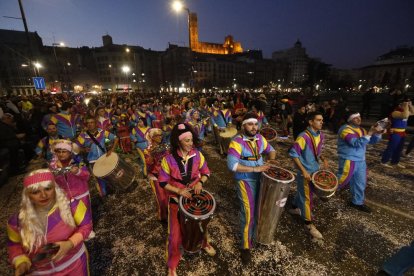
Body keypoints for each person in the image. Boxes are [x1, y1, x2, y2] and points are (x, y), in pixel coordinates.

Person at [6, 169, 92, 276]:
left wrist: (70, 244)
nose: (43, 195)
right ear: (28, 195)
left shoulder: (72, 205)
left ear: (55, 188)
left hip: (75, 265)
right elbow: (14, 245)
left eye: (48, 189)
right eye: (36, 192)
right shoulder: (16, 221)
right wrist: (21, 262)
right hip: (41, 272)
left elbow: (87, 226)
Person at [158, 123, 215, 276]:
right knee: (175, 236)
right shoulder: (168, 160)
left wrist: (201, 183)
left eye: (192, 140)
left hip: (195, 199)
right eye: (187, 140)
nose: (191, 143)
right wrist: (178, 190)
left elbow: (206, 172)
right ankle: (172, 265)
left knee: (201, 226)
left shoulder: (198, 155)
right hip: (176, 201)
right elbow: (162, 182)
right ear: (178, 142)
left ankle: (203, 243)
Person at [227, 112, 276, 264]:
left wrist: (272, 160)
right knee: (248, 212)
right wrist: (255, 169)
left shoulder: (261, 138)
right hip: (245, 181)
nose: (254, 127)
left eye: (255, 124)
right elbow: (232, 165)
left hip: (262, 179)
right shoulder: (236, 142)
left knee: (260, 209)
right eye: (250, 124)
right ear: (243, 126)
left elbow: (271, 150)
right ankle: (245, 246)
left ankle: (257, 235)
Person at [288, 111, 329, 240]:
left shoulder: (321, 135)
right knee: (307, 198)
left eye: (322, 120)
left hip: (315, 170)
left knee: (304, 193)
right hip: (305, 173)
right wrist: (304, 171)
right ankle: (308, 224)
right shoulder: (303, 136)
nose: (321, 122)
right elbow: (293, 154)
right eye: (318, 120)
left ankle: (294, 207)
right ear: (311, 122)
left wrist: (323, 158)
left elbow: (318, 149)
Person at [336, 111, 383, 213]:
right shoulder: (344, 129)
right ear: (350, 120)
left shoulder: (361, 129)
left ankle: (357, 202)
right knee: (341, 180)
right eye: (355, 118)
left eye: (359, 117)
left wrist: (377, 134)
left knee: (360, 182)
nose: (359, 119)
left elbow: (370, 141)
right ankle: (323, 190)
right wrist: (370, 132)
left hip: (361, 160)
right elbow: (356, 143)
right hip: (349, 159)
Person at [75, 116, 119, 197]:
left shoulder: (102, 132)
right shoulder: (82, 136)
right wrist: (83, 150)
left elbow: (116, 138)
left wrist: (111, 150)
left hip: (104, 157)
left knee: (108, 174)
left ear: (95, 123)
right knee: (99, 179)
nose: (90, 124)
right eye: (88, 123)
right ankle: (104, 195)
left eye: (92, 122)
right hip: (92, 161)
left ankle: (111, 189)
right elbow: (76, 148)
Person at [381, 98, 414, 168]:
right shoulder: (395, 112)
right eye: (405, 105)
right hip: (395, 133)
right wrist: (405, 106)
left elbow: (413, 112)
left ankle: (395, 162)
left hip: (402, 133)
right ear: (400, 105)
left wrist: (410, 105)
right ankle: (384, 161)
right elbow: (404, 116)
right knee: (391, 148)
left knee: (399, 149)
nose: (406, 106)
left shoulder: (405, 112)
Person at [144, 128, 169, 222]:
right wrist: (151, 155)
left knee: (169, 196)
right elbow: (149, 166)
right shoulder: (147, 150)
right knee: (161, 199)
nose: (160, 137)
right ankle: (163, 216)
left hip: (167, 175)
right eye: (157, 135)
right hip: (156, 177)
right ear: (152, 137)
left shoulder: (165, 146)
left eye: (161, 135)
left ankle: (170, 214)